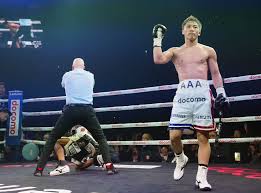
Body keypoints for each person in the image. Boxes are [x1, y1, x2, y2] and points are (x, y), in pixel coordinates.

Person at [153, 15, 229, 191]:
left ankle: (202, 177)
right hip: (183, 94)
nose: (192, 29)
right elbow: (158, 59)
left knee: (203, 137)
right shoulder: (175, 51)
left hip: (202, 94)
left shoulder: (208, 50)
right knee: (174, 136)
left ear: (199, 31)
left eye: (195, 26)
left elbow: (216, 74)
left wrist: (221, 93)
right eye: (188, 26)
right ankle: (180, 158)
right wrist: (157, 39)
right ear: (183, 31)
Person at [34, 58, 117, 176]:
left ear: (72, 67)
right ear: (84, 66)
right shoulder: (90, 76)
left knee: (52, 138)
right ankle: (109, 167)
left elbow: (63, 85)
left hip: (70, 110)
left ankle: (39, 170)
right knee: (101, 138)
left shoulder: (67, 75)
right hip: (87, 110)